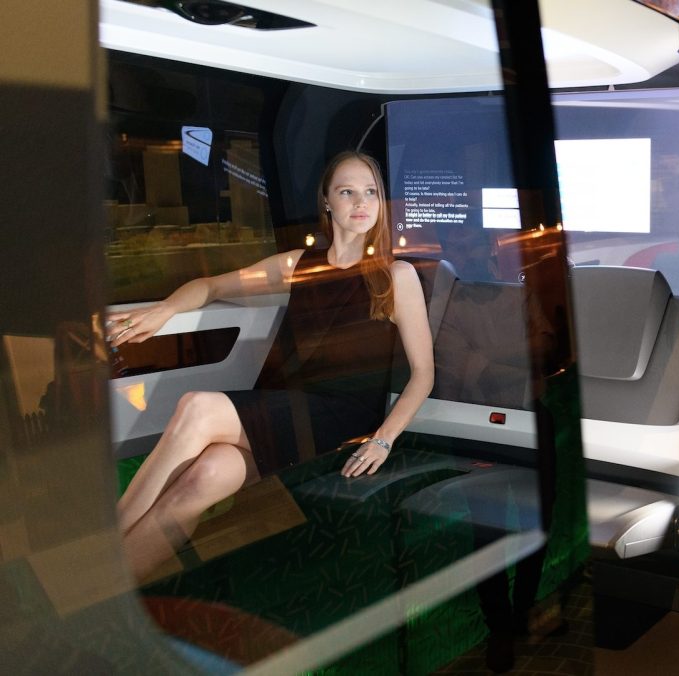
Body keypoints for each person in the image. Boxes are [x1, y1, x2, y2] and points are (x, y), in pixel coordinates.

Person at [108, 151, 434, 581]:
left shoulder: (396, 274)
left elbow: (423, 375)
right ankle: (105, 594)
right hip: (287, 406)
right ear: (327, 203)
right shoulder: (298, 265)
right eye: (347, 191)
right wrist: (164, 310)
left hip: (340, 416)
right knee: (205, 476)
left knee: (198, 407)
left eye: (371, 192)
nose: (361, 202)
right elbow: (210, 286)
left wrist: (383, 441)